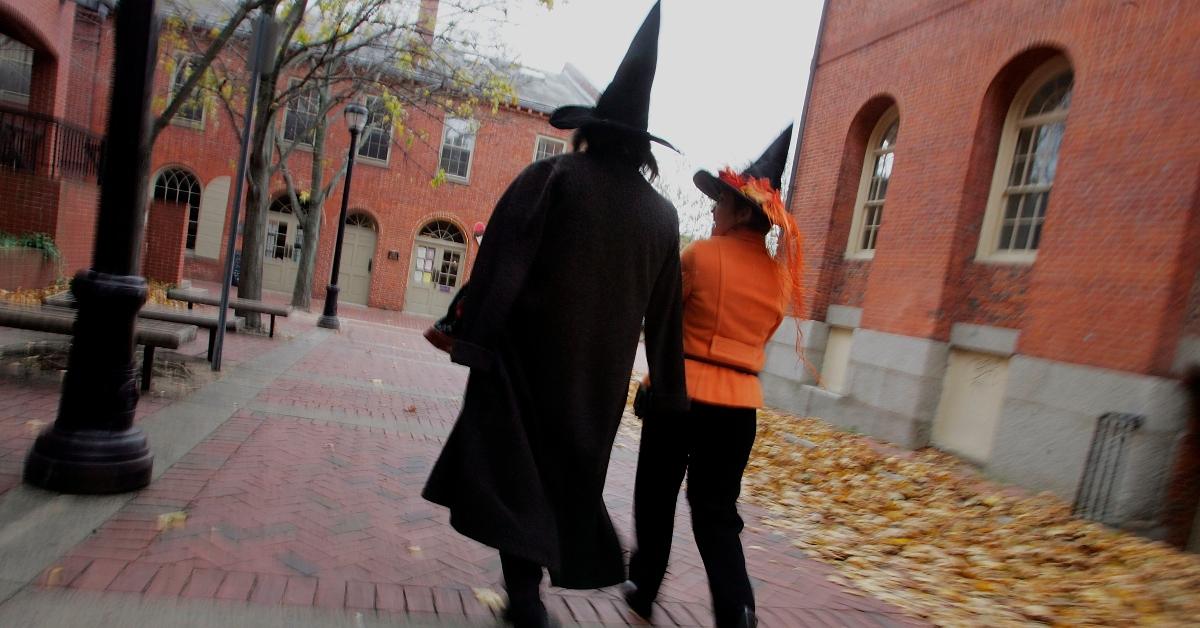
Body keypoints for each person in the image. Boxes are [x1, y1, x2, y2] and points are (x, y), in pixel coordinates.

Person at [421, 3, 688, 627]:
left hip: (527, 364)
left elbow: (501, 263)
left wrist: (470, 336)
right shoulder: (662, 219)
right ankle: (529, 597)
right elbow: (667, 316)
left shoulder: (554, 178)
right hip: (597, 382)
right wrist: (670, 394)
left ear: (589, 131)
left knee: (517, 475)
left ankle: (526, 600)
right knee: (565, 480)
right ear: (642, 147)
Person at [624, 125, 802, 628]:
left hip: (679, 396)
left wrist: (651, 383)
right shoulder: (780, 280)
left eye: (721, 202)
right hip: (739, 405)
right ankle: (737, 608)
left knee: (655, 496)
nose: (712, 209)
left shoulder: (699, 256)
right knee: (717, 512)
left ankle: (643, 587)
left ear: (743, 211)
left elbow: (662, 322)